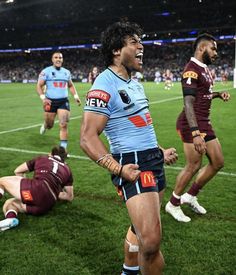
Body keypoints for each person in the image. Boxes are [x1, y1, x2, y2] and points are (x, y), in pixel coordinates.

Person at [80, 21, 178, 275]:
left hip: (151, 159)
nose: (141, 46)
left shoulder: (135, 83)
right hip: (133, 163)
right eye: (134, 42)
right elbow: (88, 137)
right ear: (116, 50)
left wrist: (159, 150)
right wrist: (119, 169)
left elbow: (142, 125)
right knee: (151, 242)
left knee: (139, 228)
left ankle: (128, 271)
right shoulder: (104, 84)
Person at [165, 33, 230, 222]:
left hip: (204, 122)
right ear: (202, 48)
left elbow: (204, 93)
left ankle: (191, 195)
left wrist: (218, 95)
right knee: (194, 165)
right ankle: (173, 204)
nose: (216, 53)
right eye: (213, 48)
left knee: (217, 162)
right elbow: (188, 102)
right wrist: (195, 133)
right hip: (191, 123)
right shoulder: (191, 69)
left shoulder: (205, 69)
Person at [0, 146, 74, 231]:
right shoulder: (68, 170)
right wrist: (54, 192)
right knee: (10, 203)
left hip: (35, 189)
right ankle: (10, 219)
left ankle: (27, 196)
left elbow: (18, 171)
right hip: (46, 205)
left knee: (1, 181)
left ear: (51, 153)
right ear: (64, 158)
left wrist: (25, 187)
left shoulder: (43, 158)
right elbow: (69, 197)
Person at [36, 51, 81, 150]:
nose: (58, 59)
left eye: (60, 57)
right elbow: (39, 86)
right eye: (56, 57)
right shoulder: (46, 71)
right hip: (50, 102)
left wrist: (76, 96)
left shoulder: (66, 72)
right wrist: (43, 98)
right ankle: (45, 125)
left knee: (63, 124)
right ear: (52, 60)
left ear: (62, 59)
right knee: (49, 125)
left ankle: (63, 149)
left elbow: (70, 85)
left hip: (63, 102)